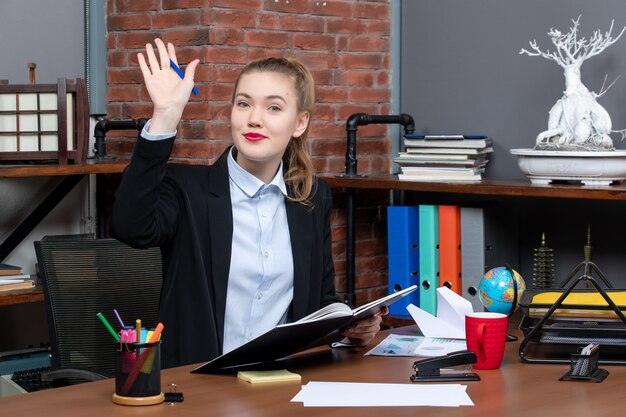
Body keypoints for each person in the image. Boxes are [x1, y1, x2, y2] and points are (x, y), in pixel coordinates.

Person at [110, 39, 385, 368]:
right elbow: (130, 228)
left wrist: (348, 327)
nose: (254, 119)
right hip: (198, 387)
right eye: (243, 104)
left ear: (300, 122)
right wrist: (166, 116)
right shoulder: (187, 189)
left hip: (282, 384)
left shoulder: (312, 197)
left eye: (273, 108)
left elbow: (319, 303)